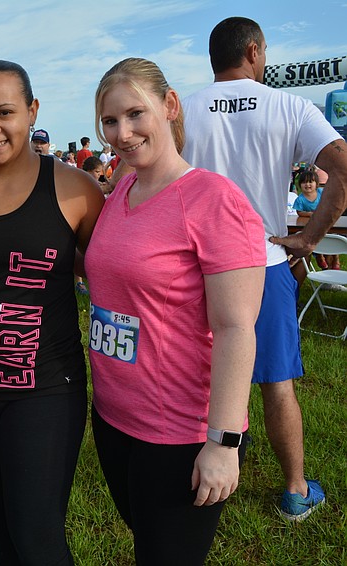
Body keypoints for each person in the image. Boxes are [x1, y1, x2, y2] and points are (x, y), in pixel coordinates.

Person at [86, 57, 266, 566]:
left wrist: (223, 443)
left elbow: (236, 328)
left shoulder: (213, 199)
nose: (122, 133)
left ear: (169, 106)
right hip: (115, 417)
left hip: (180, 433)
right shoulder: (123, 187)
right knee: (147, 542)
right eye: (110, 121)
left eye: (134, 114)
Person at [0, 60, 104, 565]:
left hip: (46, 388)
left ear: (32, 111)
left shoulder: (76, 189)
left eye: (5, 112)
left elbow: (109, 274)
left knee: (36, 530)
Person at [181, 16, 347, 521]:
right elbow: (341, 161)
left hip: (192, 263)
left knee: (193, 374)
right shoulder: (288, 105)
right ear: (253, 51)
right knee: (276, 383)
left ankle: (191, 471)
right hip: (264, 259)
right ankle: (295, 490)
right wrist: (312, 238)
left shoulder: (182, 109)